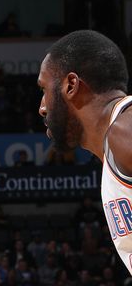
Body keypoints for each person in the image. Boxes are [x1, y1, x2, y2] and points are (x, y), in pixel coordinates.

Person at [37, 30, 132, 273]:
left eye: (44, 90)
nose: (42, 107)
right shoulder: (116, 142)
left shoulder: (124, 131)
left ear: (71, 85)